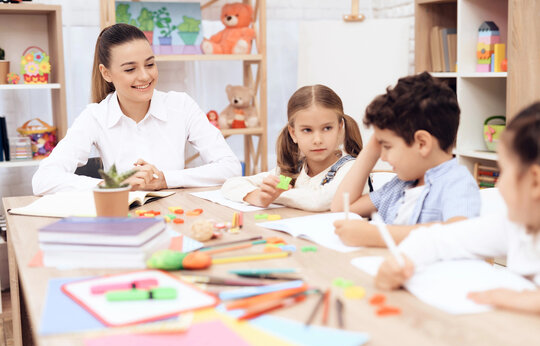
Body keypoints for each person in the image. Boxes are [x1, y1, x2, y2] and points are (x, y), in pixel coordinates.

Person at [32, 23, 241, 195]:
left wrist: (165, 179)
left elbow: (230, 168)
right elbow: (43, 179)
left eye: (150, 64)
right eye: (130, 69)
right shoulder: (95, 116)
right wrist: (112, 185)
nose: (144, 76)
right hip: (122, 217)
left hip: (177, 213)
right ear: (106, 73)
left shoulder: (181, 105)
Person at [375, 102, 540, 314]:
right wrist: (400, 261)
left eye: (503, 170)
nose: (498, 184)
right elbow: (438, 238)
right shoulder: (516, 226)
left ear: (534, 182)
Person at [332, 72, 480, 246]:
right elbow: (341, 209)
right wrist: (371, 149)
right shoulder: (399, 185)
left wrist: (378, 235)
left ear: (422, 143)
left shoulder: (456, 183)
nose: (383, 156)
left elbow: (459, 233)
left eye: (387, 146)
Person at [221, 84, 369, 211]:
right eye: (307, 130)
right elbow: (231, 184)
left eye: (327, 128)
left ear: (340, 128)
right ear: (293, 133)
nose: (317, 140)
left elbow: (319, 201)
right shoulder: (291, 171)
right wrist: (259, 196)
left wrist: (276, 196)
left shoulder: (352, 168)